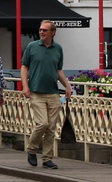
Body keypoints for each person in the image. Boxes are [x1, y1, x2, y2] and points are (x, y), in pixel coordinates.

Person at [21, 20, 73, 170]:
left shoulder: (58, 49)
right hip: (36, 91)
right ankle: (32, 149)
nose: (41, 32)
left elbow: (58, 70)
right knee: (42, 123)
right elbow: (24, 67)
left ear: (53, 32)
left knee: (51, 127)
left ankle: (47, 158)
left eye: (45, 30)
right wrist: (25, 86)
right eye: (40, 30)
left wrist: (67, 86)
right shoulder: (32, 47)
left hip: (53, 92)